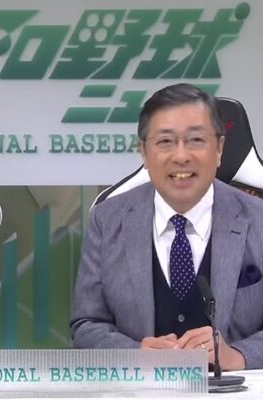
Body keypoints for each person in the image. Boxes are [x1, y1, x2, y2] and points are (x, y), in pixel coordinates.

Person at [71, 83, 263, 370]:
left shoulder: (258, 219)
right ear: (143, 152)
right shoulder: (107, 220)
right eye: (165, 142)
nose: (181, 156)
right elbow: (86, 325)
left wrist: (238, 355)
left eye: (196, 140)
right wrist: (134, 355)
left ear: (219, 148)